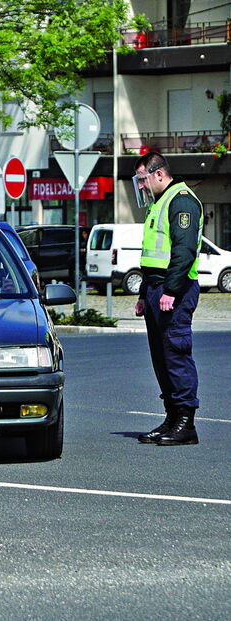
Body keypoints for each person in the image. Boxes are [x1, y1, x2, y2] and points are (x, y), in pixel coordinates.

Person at [132, 152, 202, 446]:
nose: (142, 185)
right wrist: (143, 294)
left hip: (175, 291)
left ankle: (186, 423)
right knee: (161, 358)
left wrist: (171, 291)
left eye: (143, 179)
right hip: (156, 290)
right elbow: (153, 257)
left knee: (175, 354)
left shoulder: (181, 201)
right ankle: (172, 417)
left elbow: (184, 252)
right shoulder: (158, 203)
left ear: (158, 173)